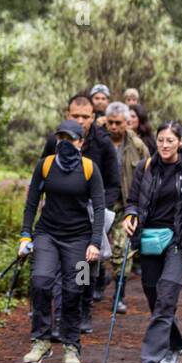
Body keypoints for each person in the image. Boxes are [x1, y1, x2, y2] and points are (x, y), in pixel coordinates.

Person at [123, 122, 182, 363]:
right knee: (154, 296)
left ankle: (151, 361)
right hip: (150, 239)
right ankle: (174, 344)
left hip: (179, 240)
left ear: (180, 143)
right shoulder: (145, 167)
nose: (164, 145)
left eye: (170, 141)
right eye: (161, 140)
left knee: (166, 296)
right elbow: (132, 203)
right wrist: (130, 216)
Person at [19, 118, 105, 363]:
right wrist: (25, 236)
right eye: (61, 138)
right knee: (40, 282)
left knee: (74, 289)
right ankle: (41, 341)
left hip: (79, 238)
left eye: (70, 139)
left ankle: (71, 347)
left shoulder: (90, 168)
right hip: (47, 235)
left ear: (81, 142)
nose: (65, 143)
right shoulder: (45, 165)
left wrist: (95, 243)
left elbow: (99, 208)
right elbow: (32, 202)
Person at [42, 93, 120, 330]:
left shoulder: (103, 143)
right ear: (67, 115)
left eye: (85, 116)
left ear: (93, 117)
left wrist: (101, 211)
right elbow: (43, 174)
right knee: (57, 267)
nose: (80, 120)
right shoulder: (53, 142)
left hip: (91, 215)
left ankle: (83, 309)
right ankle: (60, 313)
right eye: (75, 115)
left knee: (85, 267)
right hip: (59, 213)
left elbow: (113, 183)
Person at [103, 100, 148, 313]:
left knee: (122, 251)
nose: (113, 127)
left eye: (118, 123)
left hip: (126, 205)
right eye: (110, 122)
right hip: (100, 204)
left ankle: (119, 295)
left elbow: (149, 172)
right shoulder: (97, 141)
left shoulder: (137, 145)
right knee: (88, 250)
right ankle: (84, 291)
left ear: (126, 123)